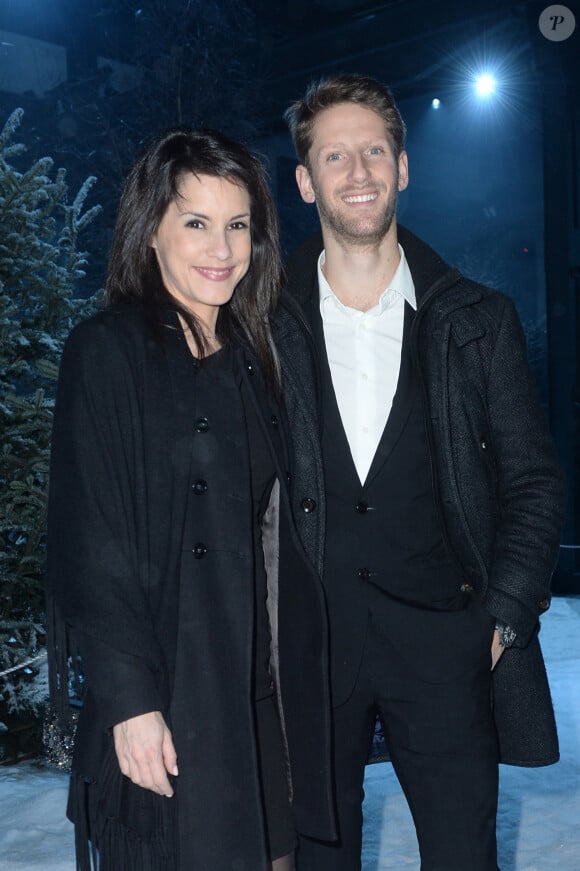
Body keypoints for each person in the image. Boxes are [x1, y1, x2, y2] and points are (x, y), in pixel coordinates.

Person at [274, 73, 567, 871]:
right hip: (313, 647)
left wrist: (502, 614)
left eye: (375, 150)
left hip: (448, 644)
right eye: (336, 155)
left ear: (403, 169)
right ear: (306, 182)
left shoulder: (478, 319)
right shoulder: (266, 324)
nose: (358, 171)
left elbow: (534, 482)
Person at [45, 127, 336, 871]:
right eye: (196, 223)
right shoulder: (108, 349)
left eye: (237, 225)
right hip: (170, 688)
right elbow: (91, 537)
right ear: (151, 234)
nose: (222, 248)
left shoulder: (254, 353)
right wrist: (128, 701)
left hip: (254, 692)